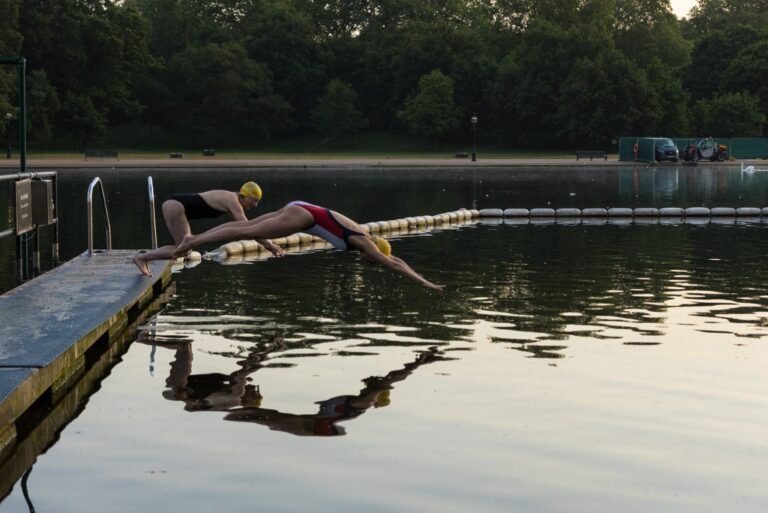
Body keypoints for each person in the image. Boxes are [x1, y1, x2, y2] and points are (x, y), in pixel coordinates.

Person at [172, 200, 445, 291]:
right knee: (247, 230)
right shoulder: (365, 244)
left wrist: (423, 278)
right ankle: (193, 240)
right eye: (373, 261)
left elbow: (396, 261)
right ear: (374, 255)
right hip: (304, 217)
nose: (370, 263)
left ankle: (193, 239)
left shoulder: (366, 238)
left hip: (302, 208)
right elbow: (393, 265)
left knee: (247, 227)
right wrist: (424, 283)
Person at [132, 181, 284, 277]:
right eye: (254, 200)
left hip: (174, 204)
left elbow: (242, 229)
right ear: (246, 195)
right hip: (176, 205)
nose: (255, 205)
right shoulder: (233, 201)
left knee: (182, 249)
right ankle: (142, 258)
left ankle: (144, 258)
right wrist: (269, 245)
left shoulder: (231, 199)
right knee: (184, 249)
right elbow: (250, 228)